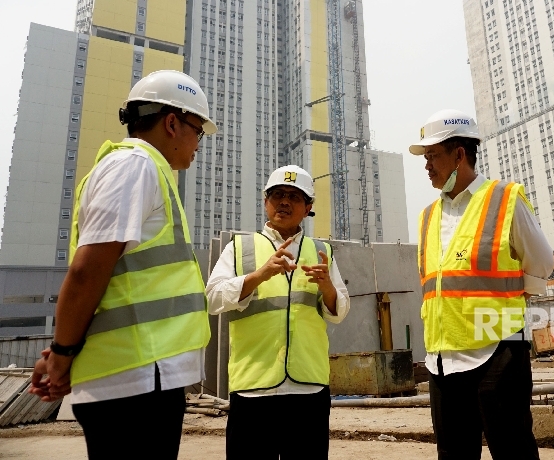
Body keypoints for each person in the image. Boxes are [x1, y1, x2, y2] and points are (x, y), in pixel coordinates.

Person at [29, 70, 217, 459]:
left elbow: (107, 283)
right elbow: (86, 272)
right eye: (197, 130)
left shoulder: (142, 172)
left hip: (140, 378)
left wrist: (64, 348)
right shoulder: (135, 167)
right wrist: (61, 355)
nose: (199, 143)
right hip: (134, 382)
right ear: (171, 123)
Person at [410, 109, 554, 460]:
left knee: (512, 450)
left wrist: (509, 299)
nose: (427, 166)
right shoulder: (428, 216)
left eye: (433, 156)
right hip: (442, 360)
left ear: (459, 154)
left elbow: (542, 263)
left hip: (498, 353)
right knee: (454, 454)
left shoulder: (505, 198)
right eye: (425, 158)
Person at [206, 165, 350, 460]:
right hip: (253, 389)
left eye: (295, 197)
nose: (284, 201)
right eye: (278, 195)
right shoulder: (240, 248)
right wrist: (257, 276)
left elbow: (340, 311)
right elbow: (212, 299)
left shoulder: (322, 251)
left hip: (308, 389)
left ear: (308, 207)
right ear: (265, 201)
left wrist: (327, 287)